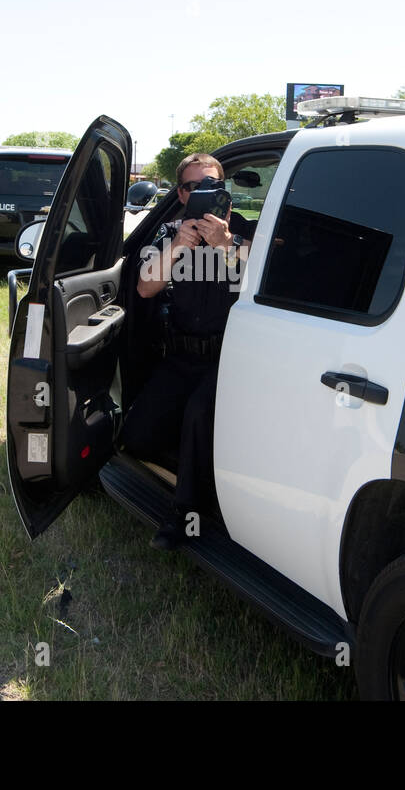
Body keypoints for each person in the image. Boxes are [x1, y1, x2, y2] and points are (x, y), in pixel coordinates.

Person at [120, 153, 253, 550]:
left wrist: (228, 246)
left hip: (232, 359)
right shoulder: (171, 232)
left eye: (212, 186)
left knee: (198, 413)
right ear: (180, 193)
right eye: (193, 187)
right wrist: (179, 244)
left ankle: (185, 516)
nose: (202, 194)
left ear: (224, 192)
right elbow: (145, 287)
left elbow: (264, 279)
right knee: (137, 437)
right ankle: (207, 476)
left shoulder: (246, 232)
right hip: (181, 356)